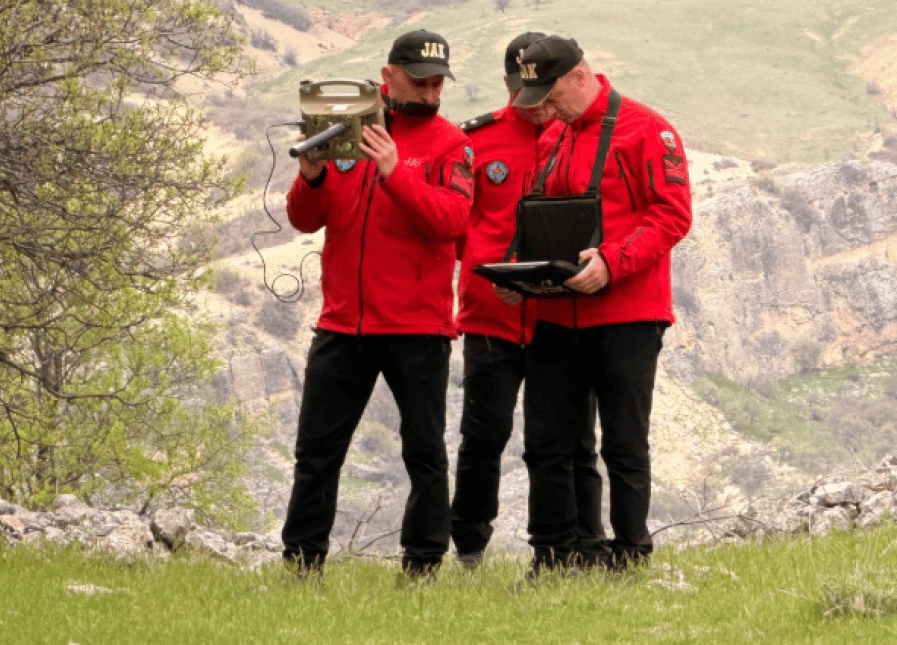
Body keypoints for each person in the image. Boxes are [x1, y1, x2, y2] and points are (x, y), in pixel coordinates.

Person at [280, 29, 475, 582]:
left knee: (424, 453)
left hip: (418, 327)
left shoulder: (453, 145)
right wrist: (312, 174)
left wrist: (394, 173)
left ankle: (421, 567)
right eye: (420, 80)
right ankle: (301, 565)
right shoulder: (345, 133)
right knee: (316, 452)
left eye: (439, 81)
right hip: (342, 323)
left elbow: (451, 223)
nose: (432, 91)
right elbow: (303, 218)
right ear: (387, 77)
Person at [506, 34, 693, 576]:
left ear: (580, 76)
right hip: (555, 314)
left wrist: (614, 261)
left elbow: (673, 215)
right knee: (548, 442)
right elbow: (539, 216)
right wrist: (517, 270)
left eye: (549, 92)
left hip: (628, 316)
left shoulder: (645, 130)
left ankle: (631, 555)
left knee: (623, 442)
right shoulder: (553, 136)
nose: (542, 105)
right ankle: (561, 555)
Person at [450, 32, 604, 569]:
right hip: (490, 318)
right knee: (482, 437)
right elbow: (454, 226)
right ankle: (469, 548)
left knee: (569, 442)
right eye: (523, 93)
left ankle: (577, 549)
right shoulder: (476, 141)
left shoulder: (579, 136)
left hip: (557, 319)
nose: (535, 108)